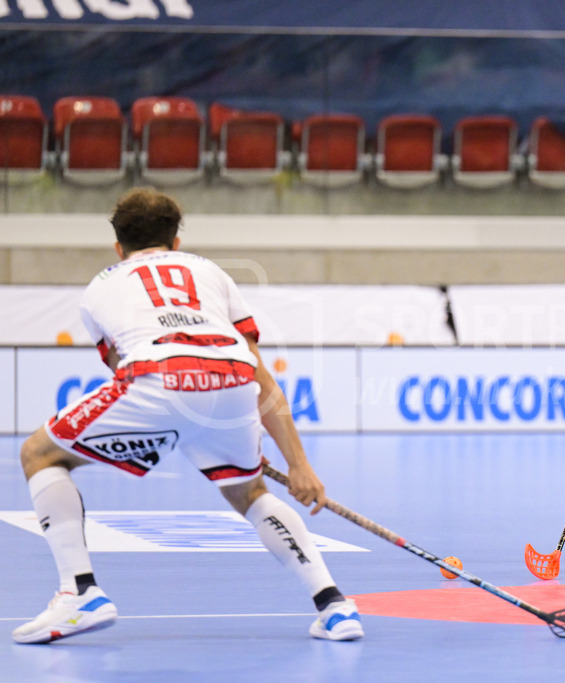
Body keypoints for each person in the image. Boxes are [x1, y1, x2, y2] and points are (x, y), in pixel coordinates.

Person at [12, 188, 363, 644]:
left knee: (40, 454)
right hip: (234, 377)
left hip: (160, 375)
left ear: (118, 247)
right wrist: (298, 464)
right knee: (250, 490)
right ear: (176, 242)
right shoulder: (210, 272)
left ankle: (79, 592)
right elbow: (260, 374)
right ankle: (334, 606)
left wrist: (169, 429)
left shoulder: (100, 286)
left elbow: (128, 378)